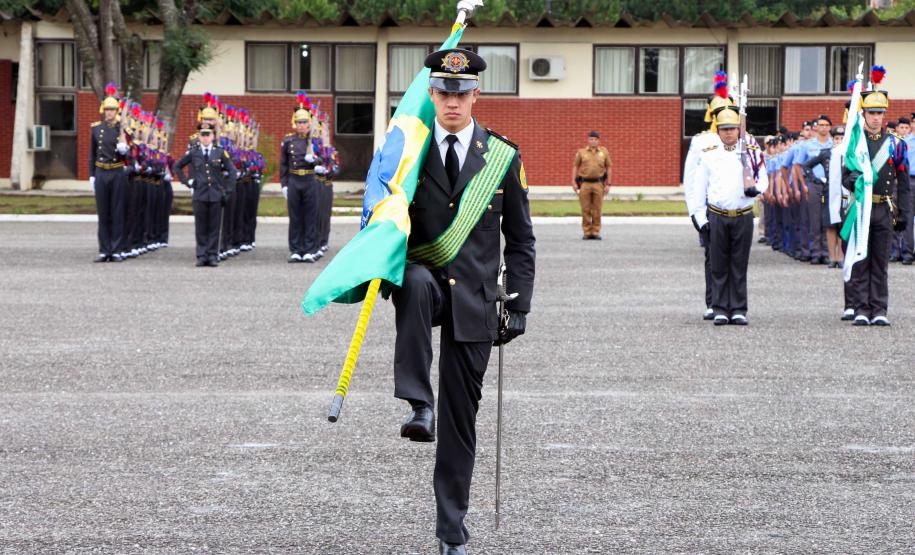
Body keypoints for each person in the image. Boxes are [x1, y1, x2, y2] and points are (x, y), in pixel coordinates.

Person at [394, 48, 535, 555]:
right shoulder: (407, 153)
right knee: (412, 282)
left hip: (476, 300)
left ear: (476, 95)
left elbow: (521, 239)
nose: (452, 101)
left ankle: (451, 529)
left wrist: (518, 303)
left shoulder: (502, 156)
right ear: (431, 95)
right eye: (442, 92)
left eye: (461, 93)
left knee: (462, 421)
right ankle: (417, 402)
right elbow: (384, 221)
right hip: (427, 286)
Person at [692, 106, 768, 325]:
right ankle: (719, 308)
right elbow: (699, 189)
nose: (728, 133)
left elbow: (763, 177)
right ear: (718, 130)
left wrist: (757, 189)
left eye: (732, 129)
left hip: (742, 214)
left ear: (739, 130)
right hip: (717, 215)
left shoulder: (751, 152)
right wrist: (700, 219)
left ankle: (738, 308)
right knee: (718, 264)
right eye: (724, 129)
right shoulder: (709, 156)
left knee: (738, 263)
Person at [842, 85, 910, 326]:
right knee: (861, 260)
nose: (876, 117)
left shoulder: (896, 144)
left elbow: (904, 184)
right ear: (863, 114)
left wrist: (904, 214)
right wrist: (850, 180)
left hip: (884, 209)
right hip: (861, 208)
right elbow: (845, 175)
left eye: (880, 113)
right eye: (871, 113)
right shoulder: (855, 143)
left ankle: (879, 309)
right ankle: (861, 308)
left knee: (880, 261)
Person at [683, 78, 734, 320]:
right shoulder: (702, 141)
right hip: (710, 208)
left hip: (734, 208)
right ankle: (714, 302)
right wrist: (695, 212)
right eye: (719, 112)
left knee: (735, 260)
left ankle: (734, 304)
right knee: (713, 258)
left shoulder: (741, 139)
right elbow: (691, 179)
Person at [173, 126, 237, 267]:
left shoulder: (220, 153)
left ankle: (212, 255)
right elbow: (177, 166)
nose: (206, 138)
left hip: (215, 194)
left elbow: (232, 171)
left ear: (213, 136)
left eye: (208, 135)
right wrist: (187, 182)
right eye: (203, 135)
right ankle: (201, 255)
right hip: (200, 194)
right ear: (199, 137)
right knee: (201, 227)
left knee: (214, 227)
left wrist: (228, 190)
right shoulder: (194, 152)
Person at [90, 84, 130, 263]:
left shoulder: (123, 129)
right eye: (107, 109)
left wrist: (124, 149)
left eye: (112, 109)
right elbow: (91, 154)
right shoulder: (96, 129)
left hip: (116, 172)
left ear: (117, 110)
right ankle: (104, 249)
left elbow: (131, 156)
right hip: (101, 172)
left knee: (117, 212)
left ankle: (116, 249)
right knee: (103, 212)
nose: (109, 112)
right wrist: (92, 174)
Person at [281, 98, 322, 263]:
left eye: (304, 122)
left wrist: (315, 161)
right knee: (295, 217)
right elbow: (283, 164)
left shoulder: (315, 140)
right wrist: (284, 185)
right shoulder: (288, 141)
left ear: (309, 123)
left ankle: (309, 250)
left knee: (310, 216)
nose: (301, 125)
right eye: (298, 122)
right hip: (294, 179)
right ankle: (296, 249)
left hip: (309, 180)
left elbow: (324, 160)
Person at [799, 115, 834, 264]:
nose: (824, 127)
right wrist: (804, 185)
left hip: (831, 186)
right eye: (821, 125)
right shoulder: (807, 145)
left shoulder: (835, 144)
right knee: (814, 219)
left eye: (827, 125)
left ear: (830, 128)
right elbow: (800, 166)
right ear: (816, 127)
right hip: (814, 184)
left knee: (827, 219)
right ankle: (815, 252)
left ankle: (826, 252)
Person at [572, 130, 611, 240]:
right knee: (585, 209)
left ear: (598, 140)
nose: (592, 141)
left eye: (595, 139)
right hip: (585, 184)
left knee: (597, 209)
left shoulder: (604, 152)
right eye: (590, 139)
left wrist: (608, 183)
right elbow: (575, 166)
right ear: (588, 140)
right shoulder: (581, 152)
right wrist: (573, 182)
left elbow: (609, 167)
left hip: (599, 184)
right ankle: (587, 232)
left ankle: (596, 231)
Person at [893, 116, 914, 264]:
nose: (904, 129)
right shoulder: (899, 142)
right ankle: (906, 253)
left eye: (907, 127)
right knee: (906, 215)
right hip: (905, 181)